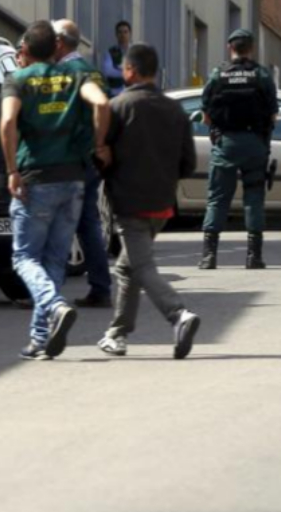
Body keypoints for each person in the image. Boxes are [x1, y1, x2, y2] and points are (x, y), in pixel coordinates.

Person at [0, 20, 111, 360]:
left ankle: (54, 305)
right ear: (56, 48)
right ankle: (40, 338)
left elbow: (7, 123)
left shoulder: (17, 80)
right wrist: (99, 143)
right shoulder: (77, 75)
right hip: (73, 180)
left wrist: (12, 170)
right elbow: (103, 104)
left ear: (27, 50)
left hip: (36, 178)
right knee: (53, 261)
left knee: (24, 257)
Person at [97, 44, 201, 359]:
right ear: (154, 71)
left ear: (129, 71)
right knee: (128, 268)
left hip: (130, 202)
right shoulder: (175, 111)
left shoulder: (118, 106)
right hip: (163, 203)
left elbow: (101, 156)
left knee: (141, 266)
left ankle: (178, 314)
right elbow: (189, 163)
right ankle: (117, 334)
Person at [199, 28, 279, 269]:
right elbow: (273, 115)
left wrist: (219, 131)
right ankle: (254, 257)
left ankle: (209, 256)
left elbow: (205, 115)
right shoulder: (262, 75)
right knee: (254, 197)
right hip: (254, 144)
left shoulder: (218, 75)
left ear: (229, 47)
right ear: (251, 48)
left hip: (226, 144)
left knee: (217, 198)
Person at [52, 20, 113, 308]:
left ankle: (48, 293)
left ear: (60, 43)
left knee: (58, 223)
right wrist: (100, 145)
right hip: (90, 159)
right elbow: (108, 110)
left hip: (69, 158)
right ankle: (100, 286)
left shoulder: (64, 73)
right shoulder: (94, 73)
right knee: (88, 223)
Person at [101, 21, 133, 96]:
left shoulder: (135, 51)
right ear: (116, 34)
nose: (123, 35)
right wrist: (128, 71)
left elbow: (140, 70)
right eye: (120, 32)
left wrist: (119, 70)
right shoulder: (110, 52)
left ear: (130, 34)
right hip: (115, 93)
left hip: (131, 93)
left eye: (125, 32)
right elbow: (107, 71)